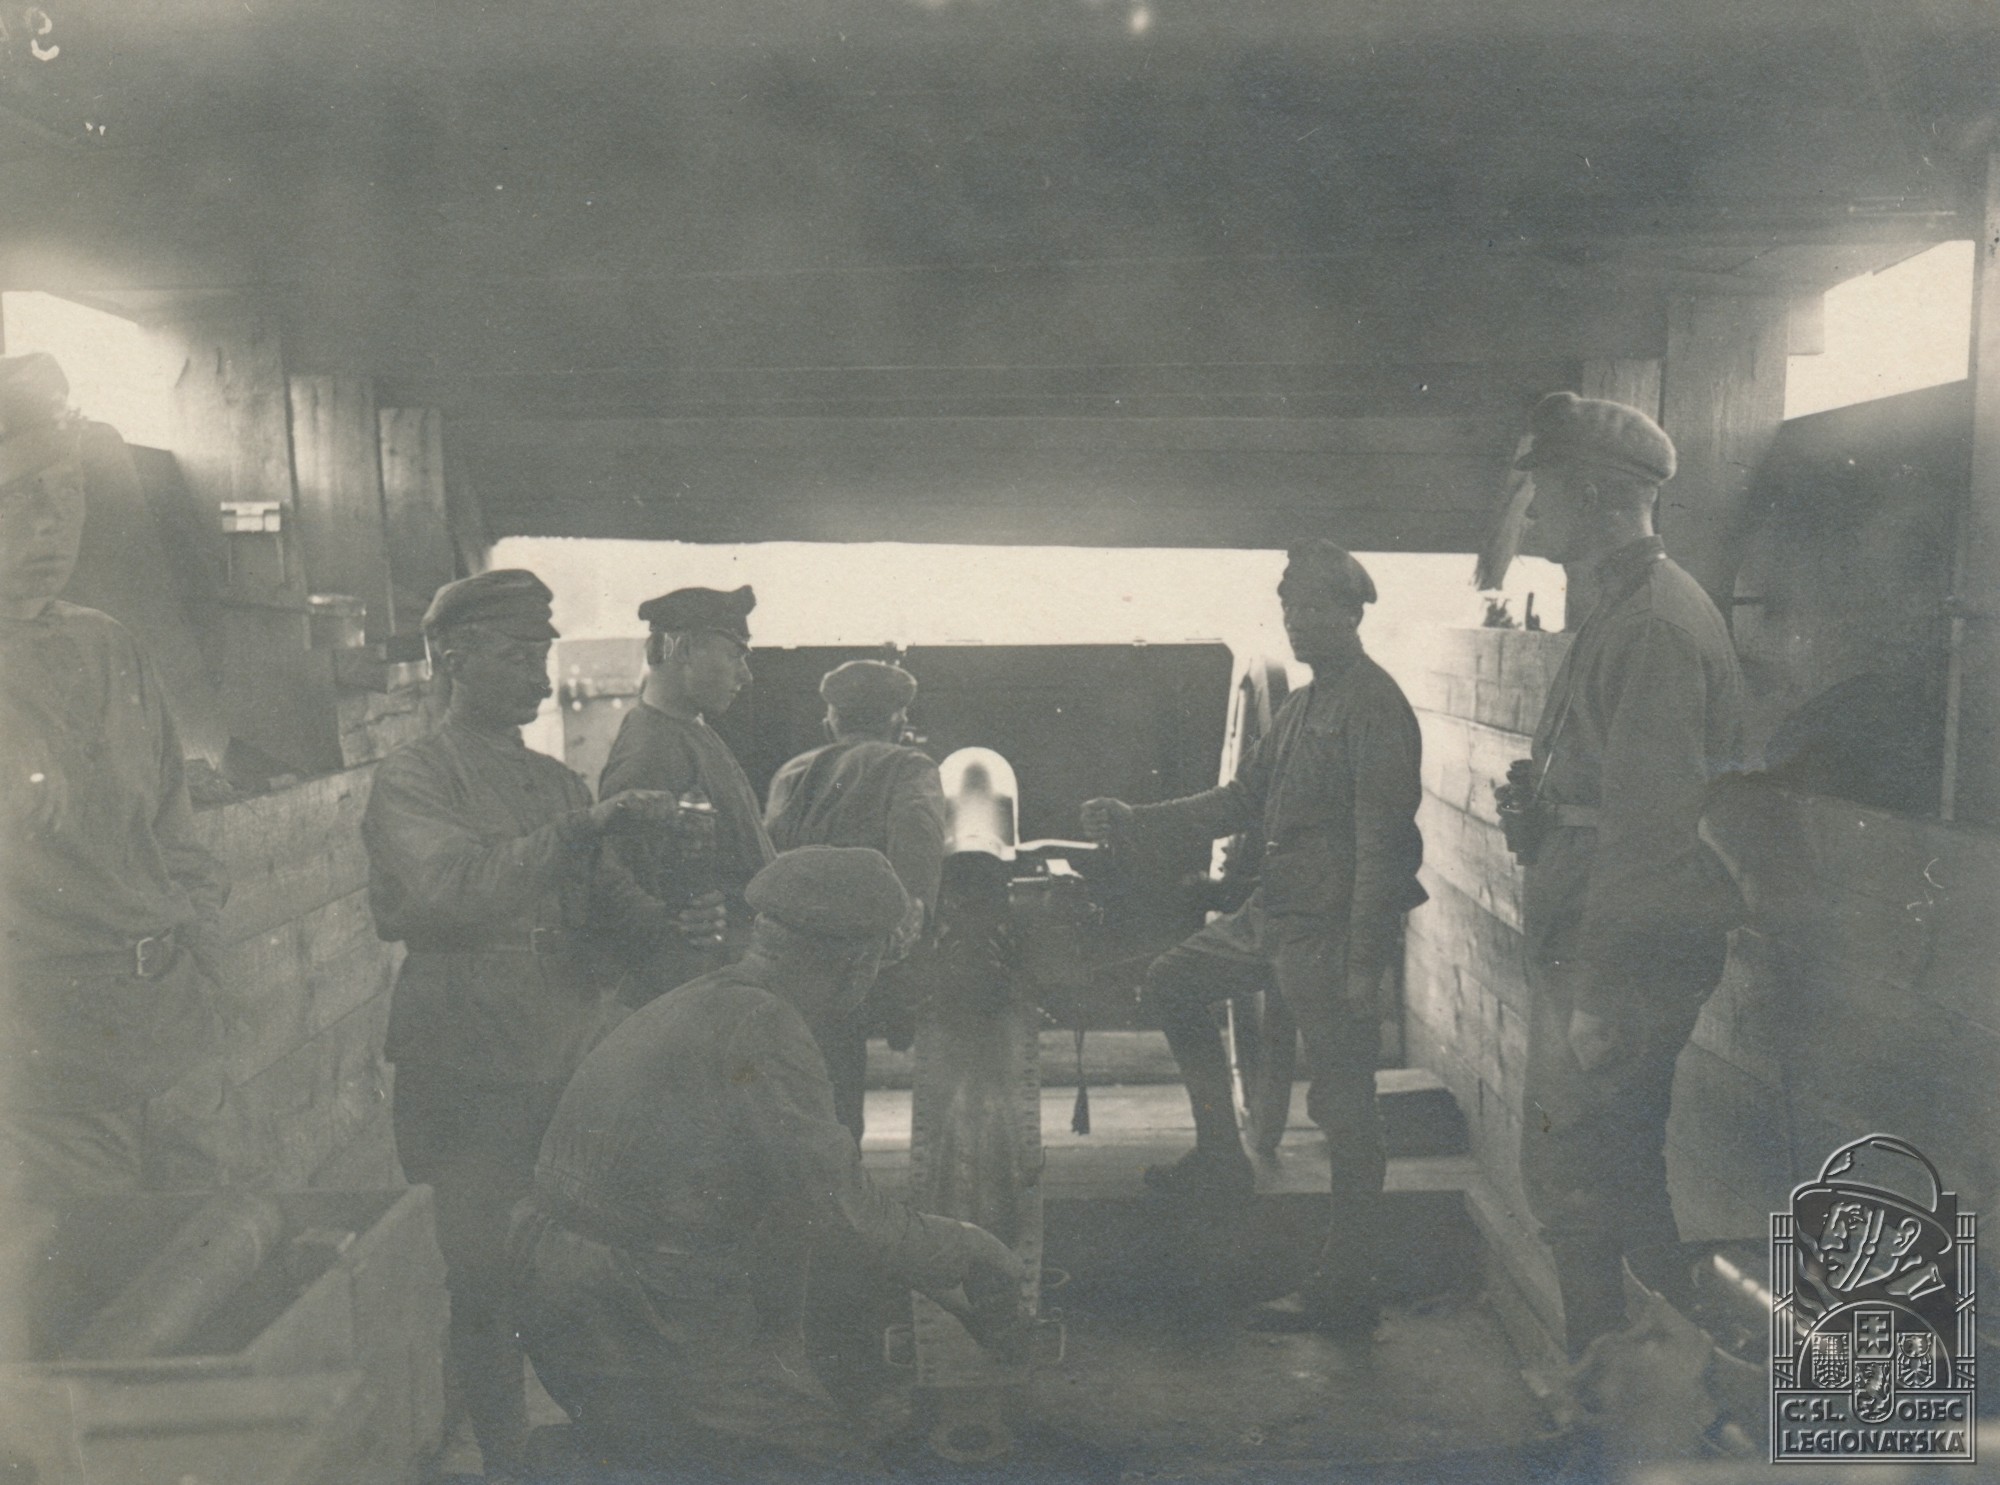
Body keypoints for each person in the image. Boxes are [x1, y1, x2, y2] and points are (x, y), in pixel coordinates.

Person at [510, 846, 1025, 1471]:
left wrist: (929, 1278)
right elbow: (841, 1212)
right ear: (859, 962)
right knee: (830, 1463)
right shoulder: (766, 1027)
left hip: (568, 1288)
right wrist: (965, 1245)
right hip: (637, 1309)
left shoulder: (705, 999)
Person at [361, 567, 701, 1476]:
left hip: (564, 1055)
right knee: (484, 1279)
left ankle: (585, 1447)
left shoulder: (555, 783)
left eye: (541, 653)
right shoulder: (415, 776)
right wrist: (585, 832)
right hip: (465, 1061)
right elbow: (452, 891)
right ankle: (505, 1459)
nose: (536, 673)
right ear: (451, 658)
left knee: (578, 1265)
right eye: (515, 655)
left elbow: (605, 902)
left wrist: (682, 926)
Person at [1081, 541, 1425, 1333]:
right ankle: (1220, 1156)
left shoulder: (1374, 706)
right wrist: (1136, 821)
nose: (1298, 622)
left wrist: (1363, 964)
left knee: (1344, 1105)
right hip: (1275, 914)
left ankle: (1347, 1285)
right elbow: (1240, 798)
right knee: (1174, 980)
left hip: (1331, 929)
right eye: (1289, 608)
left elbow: (1384, 847)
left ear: (1353, 614)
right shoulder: (1303, 706)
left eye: (1315, 608)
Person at [1504, 391, 1747, 1357]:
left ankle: (1617, 1400)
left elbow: (1649, 831)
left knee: (1582, 1176)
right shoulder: (1622, 606)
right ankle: (1637, 1393)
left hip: (1623, 954)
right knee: (1604, 1171)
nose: (1532, 510)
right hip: (1598, 933)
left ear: (1602, 495)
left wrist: (1602, 990)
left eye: (1547, 489)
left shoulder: (1651, 622)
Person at [0, 352, 230, 1203]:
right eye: (20, 494)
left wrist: (197, 954)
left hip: (174, 1044)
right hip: (47, 1083)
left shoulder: (108, 645)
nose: (53, 522)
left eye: (69, 492)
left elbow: (176, 836)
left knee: (220, 1257)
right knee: (97, 1278)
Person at [764, 659, 944, 1138]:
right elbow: (918, 840)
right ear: (898, 721)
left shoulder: (791, 772)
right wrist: (911, 923)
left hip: (786, 954)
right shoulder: (909, 765)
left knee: (798, 1090)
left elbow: (769, 855)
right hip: (856, 957)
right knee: (841, 1094)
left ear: (833, 719)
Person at [599, 584, 775, 1001]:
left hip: (720, 971)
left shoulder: (687, 729)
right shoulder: (651, 750)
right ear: (683, 650)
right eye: (734, 655)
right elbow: (632, 895)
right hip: (694, 980)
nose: (745, 675)